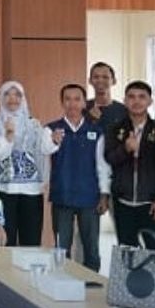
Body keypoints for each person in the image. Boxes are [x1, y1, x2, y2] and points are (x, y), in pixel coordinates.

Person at [47, 83, 111, 272]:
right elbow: (44, 153)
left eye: (77, 99)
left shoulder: (96, 131)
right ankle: (61, 282)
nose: (72, 104)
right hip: (62, 196)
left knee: (91, 248)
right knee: (61, 249)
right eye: (67, 99)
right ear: (62, 102)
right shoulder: (52, 129)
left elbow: (102, 165)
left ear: (84, 103)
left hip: (89, 197)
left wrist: (104, 194)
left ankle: (92, 282)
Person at [0, 81, 57, 247]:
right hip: (4, 189)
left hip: (31, 190)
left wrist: (54, 141)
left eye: (17, 95)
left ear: (23, 98)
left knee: (31, 241)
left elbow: (44, 149)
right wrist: (8, 136)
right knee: (4, 241)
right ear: (1, 98)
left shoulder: (34, 124)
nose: (12, 99)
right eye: (7, 94)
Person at [104, 81, 155, 248]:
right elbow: (110, 158)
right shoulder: (115, 129)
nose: (136, 101)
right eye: (131, 97)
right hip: (123, 202)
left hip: (151, 203)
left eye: (142, 97)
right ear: (125, 101)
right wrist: (126, 149)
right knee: (127, 250)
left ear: (150, 101)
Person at [87, 61, 128, 134]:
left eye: (105, 77)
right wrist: (91, 120)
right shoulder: (81, 108)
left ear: (114, 81)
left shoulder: (124, 111)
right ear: (90, 81)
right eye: (96, 77)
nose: (100, 80)